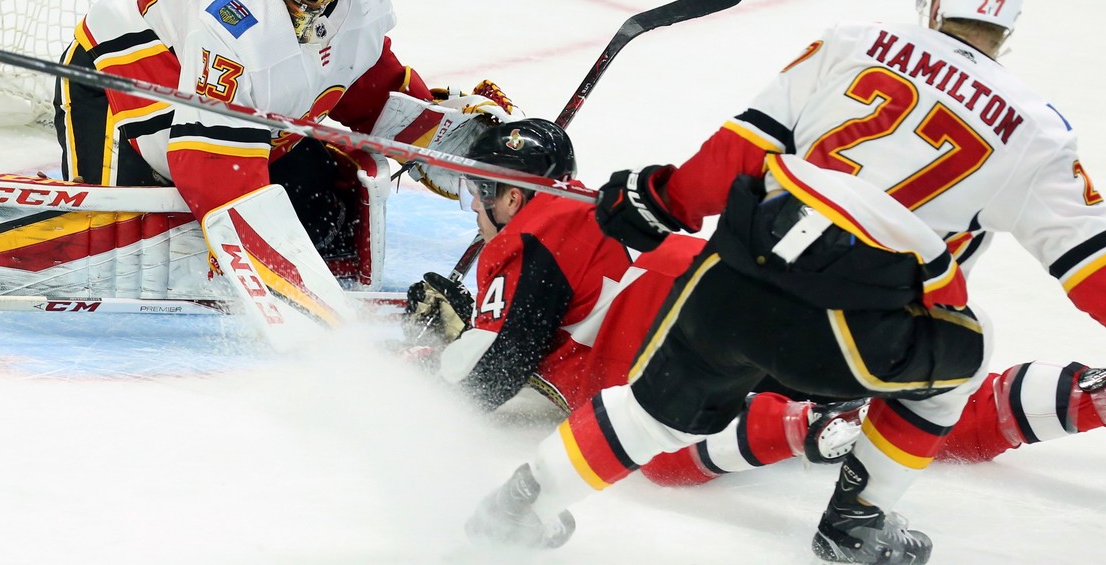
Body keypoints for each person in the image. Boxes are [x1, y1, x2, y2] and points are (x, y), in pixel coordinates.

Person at [467, 0, 1106, 563]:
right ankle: (857, 517)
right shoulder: (1038, 135)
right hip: (858, 333)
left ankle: (521, 503)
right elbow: (1093, 272)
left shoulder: (849, 42)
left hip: (740, 277)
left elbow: (735, 157)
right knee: (966, 350)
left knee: (652, 407)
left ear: (935, 0)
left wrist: (655, 199)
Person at [408, 121, 1106, 488]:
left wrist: (436, 355)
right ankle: (1082, 396)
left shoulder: (532, 233)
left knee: (660, 447)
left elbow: (493, 378)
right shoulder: (588, 209)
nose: (477, 210)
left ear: (515, 193)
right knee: (908, 415)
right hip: (733, 284)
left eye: (482, 194)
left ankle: (805, 426)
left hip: (673, 332)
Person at [52, 0, 518, 285]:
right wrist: (271, 267)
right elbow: (210, 160)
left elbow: (363, 81)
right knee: (116, 249)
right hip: (122, 76)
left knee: (322, 212)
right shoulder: (231, 11)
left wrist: (448, 138)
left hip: (246, 117)